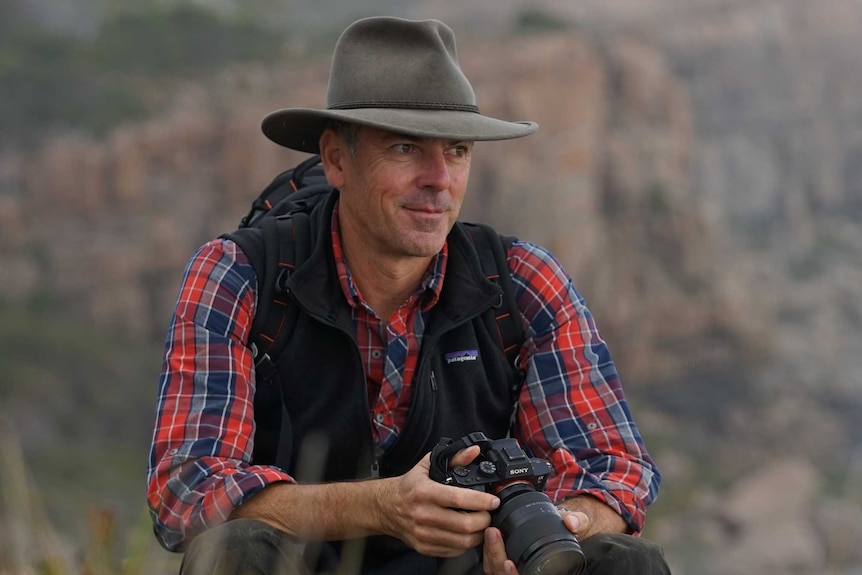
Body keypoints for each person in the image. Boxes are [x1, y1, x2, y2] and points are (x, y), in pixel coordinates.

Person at [147, 15, 670, 575]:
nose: (439, 179)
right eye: (405, 147)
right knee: (234, 551)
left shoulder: (522, 283)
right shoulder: (239, 275)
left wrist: (556, 530)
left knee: (624, 562)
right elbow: (187, 490)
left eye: (459, 150)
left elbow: (615, 469)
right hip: (302, 565)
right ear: (337, 159)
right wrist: (383, 507)